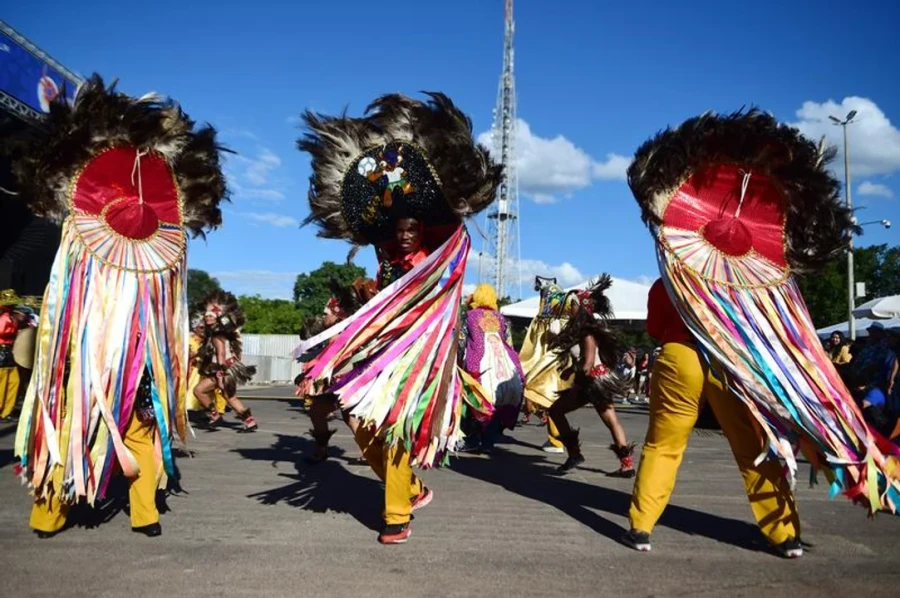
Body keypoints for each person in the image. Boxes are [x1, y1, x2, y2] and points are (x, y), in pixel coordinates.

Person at [623, 109, 900, 556]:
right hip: (733, 365)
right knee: (753, 447)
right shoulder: (749, 289)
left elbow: (656, 327)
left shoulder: (669, 280)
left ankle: (641, 525)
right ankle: (783, 534)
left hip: (678, 359)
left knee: (664, 442)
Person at [12, 75, 229, 537]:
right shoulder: (79, 255)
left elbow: (167, 314)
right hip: (83, 362)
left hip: (140, 361)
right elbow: (62, 304)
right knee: (68, 427)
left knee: (142, 431)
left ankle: (144, 512)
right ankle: (49, 512)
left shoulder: (159, 269)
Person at [293, 92, 500, 544]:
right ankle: (409, 488)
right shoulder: (386, 256)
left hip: (424, 356)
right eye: (397, 230)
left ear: (423, 228)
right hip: (384, 350)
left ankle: (395, 516)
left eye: (411, 229)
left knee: (397, 429)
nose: (403, 236)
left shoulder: (443, 250)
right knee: (358, 418)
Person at [546, 276, 635, 477]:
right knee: (611, 421)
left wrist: (575, 373)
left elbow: (587, 364)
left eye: (573, 305)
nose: (570, 309)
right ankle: (626, 464)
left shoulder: (587, 333)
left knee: (556, 411)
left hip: (592, 383)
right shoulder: (583, 331)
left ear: (582, 309)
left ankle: (575, 454)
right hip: (594, 382)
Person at [517, 276, 580, 454]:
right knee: (550, 399)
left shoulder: (551, 310)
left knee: (547, 398)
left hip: (552, 359)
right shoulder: (564, 304)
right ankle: (560, 440)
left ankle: (557, 441)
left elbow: (535, 341)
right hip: (563, 358)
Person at [460, 284, 525, 452]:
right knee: (498, 404)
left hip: (478, 366)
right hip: (505, 366)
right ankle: (488, 443)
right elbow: (509, 343)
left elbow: (461, 341)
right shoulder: (501, 318)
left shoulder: (469, 316)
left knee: (473, 401)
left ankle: (473, 439)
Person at [193, 291, 258, 432]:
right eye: (206, 316)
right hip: (224, 369)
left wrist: (221, 376)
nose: (208, 318)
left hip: (223, 370)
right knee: (229, 397)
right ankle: (249, 421)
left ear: (218, 318)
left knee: (199, 391)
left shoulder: (217, 335)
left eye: (211, 316)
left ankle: (215, 415)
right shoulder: (216, 332)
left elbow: (221, 354)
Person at [186, 318, 228, 415]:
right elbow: (186, 355)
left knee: (218, 390)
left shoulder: (209, 339)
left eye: (205, 328)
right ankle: (210, 412)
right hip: (195, 371)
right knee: (198, 391)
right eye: (201, 328)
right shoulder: (189, 340)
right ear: (194, 329)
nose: (203, 330)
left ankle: (217, 412)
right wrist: (198, 353)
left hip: (209, 369)